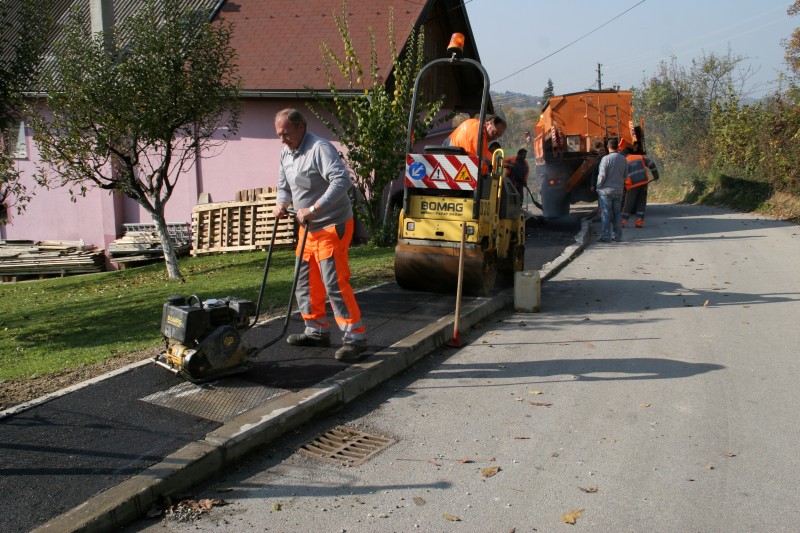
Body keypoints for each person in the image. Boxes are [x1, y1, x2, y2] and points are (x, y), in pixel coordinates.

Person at [272, 108, 368, 363]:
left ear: (301, 127)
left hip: (331, 225)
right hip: (308, 229)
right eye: (279, 134)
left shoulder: (319, 149)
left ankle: (354, 337)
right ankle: (316, 330)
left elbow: (342, 181)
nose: (282, 139)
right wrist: (282, 202)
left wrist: (314, 209)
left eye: (286, 133)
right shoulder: (286, 152)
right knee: (304, 282)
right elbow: (284, 184)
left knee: (334, 283)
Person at [595, 138, 628, 243]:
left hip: (606, 192)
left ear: (608, 147)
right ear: (618, 147)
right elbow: (626, 176)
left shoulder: (605, 159)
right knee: (618, 213)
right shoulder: (623, 159)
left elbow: (602, 175)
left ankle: (606, 236)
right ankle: (617, 236)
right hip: (618, 191)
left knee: (606, 213)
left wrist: (598, 186)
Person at [621, 143, 659, 228]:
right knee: (641, 203)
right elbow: (652, 164)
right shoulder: (640, 157)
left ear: (623, 155)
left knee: (628, 203)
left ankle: (623, 221)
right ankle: (639, 222)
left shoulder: (624, 162)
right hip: (643, 183)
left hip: (632, 185)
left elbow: (621, 176)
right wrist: (656, 175)